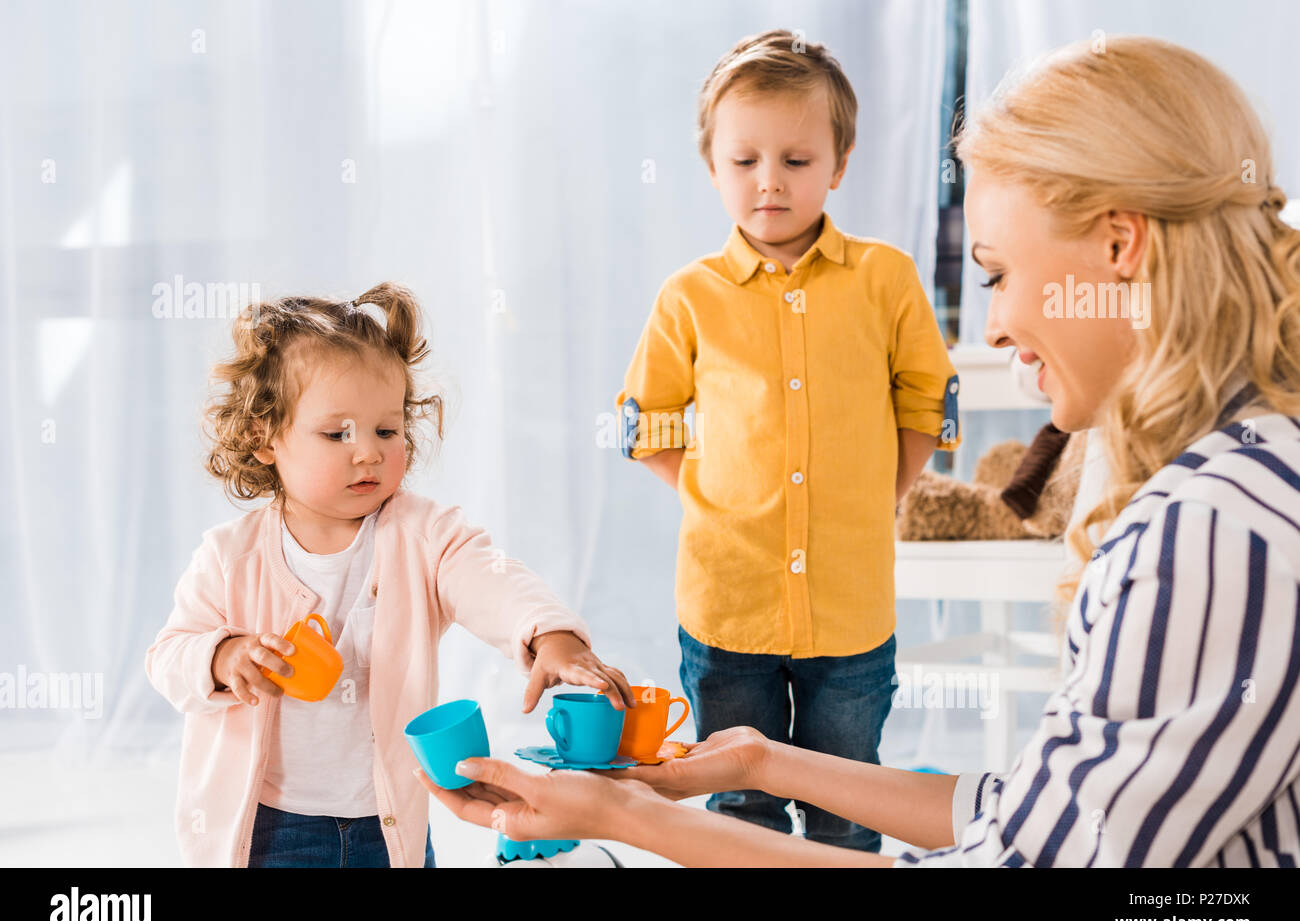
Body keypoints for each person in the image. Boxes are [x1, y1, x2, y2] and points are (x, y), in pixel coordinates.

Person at [420, 34, 1300, 867]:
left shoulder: (1209, 534)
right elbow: (1037, 809)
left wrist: (627, 818)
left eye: (994, 273)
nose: (991, 325)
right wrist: (763, 761)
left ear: (1118, 245)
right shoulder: (1248, 479)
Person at [612, 28, 961, 852]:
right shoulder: (689, 295)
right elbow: (648, 421)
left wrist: (881, 494)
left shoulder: (886, 278)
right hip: (726, 605)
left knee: (850, 799)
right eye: (745, 162)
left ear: (838, 165)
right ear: (713, 167)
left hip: (851, 608)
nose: (770, 181)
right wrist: (717, 495)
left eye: (797, 161)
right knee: (738, 800)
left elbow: (925, 403)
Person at [146, 282, 634, 867]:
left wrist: (548, 633)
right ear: (264, 436)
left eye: (387, 430)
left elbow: (489, 578)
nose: (368, 453)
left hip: (388, 820)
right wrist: (224, 657)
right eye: (337, 433)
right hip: (271, 826)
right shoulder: (231, 556)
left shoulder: (420, 534)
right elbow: (169, 655)